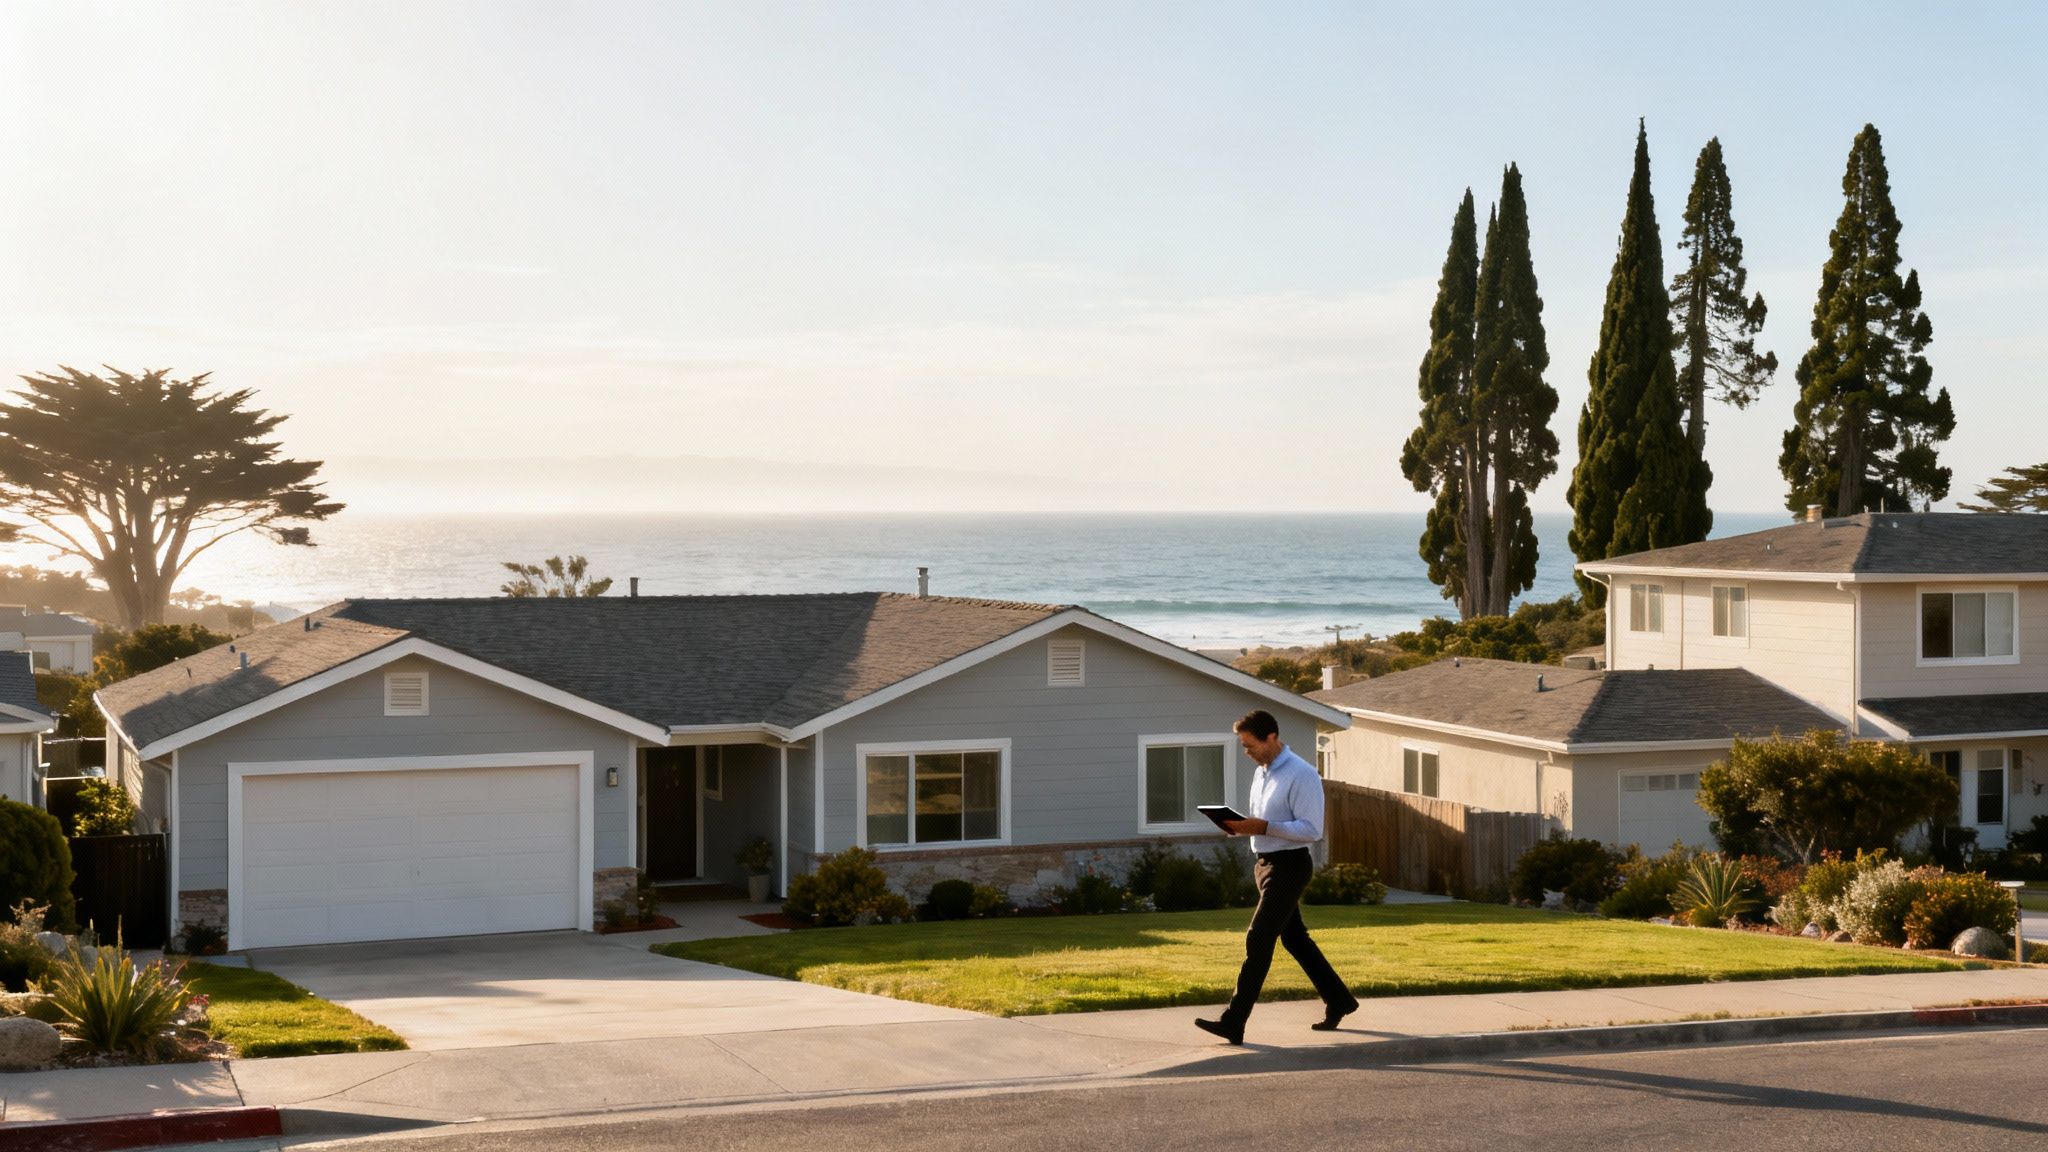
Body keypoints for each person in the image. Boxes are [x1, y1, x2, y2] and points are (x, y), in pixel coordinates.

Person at [1194, 708, 1359, 1045]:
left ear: (1272, 737)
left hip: (1290, 866)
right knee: (1295, 939)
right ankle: (1340, 1000)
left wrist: (1263, 827)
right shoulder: (1263, 771)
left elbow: (1311, 829)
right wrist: (1241, 828)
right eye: (1243, 746)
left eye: (1250, 745)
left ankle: (1233, 1021)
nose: (1247, 752)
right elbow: (1265, 821)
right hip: (1266, 864)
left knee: (1259, 938)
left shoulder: (1302, 774)